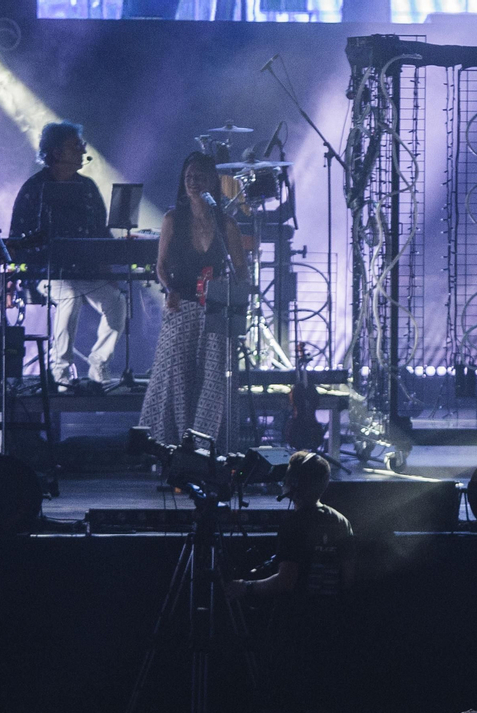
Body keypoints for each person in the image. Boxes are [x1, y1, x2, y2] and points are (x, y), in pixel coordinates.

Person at [139, 151, 247, 446]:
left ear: (213, 182)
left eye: (199, 177)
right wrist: (169, 289)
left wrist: (229, 291)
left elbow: (241, 271)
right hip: (182, 304)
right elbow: (160, 266)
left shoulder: (227, 225)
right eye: (188, 177)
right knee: (177, 377)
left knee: (212, 381)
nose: (193, 182)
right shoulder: (173, 219)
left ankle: (204, 447)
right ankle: (171, 445)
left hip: (214, 309)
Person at [8, 121, 126, 387]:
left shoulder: (87, 188)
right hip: (45, 273)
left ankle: (100, 364)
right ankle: (60, 369)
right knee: (69, 296)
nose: (82, 149)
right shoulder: (34, 188)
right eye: (76, 146)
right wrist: (17, 273)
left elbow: (100, 232)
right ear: (57, 152)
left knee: (116, 301)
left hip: (85, 271)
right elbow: (17, 236)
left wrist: (108, 267)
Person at [227, 451, 352, 601]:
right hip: (332, 617)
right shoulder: (342, 522)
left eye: (287, 476)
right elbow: (348, 578)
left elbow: (285, 582)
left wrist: (246, 586)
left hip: (297, 617)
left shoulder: (294, 524)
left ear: (294, 483)